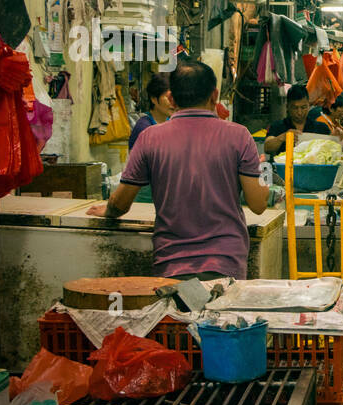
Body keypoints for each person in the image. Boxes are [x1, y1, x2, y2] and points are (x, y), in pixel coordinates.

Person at [86, 60, 269, 279]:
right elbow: (259, 204)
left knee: (175, 315)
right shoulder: (240, 136)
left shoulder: (149, 139)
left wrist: (108, 210)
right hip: (226, 264)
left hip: (170, 266)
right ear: (215, 95)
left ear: (172, 98)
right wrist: (264, 169)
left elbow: (120, 204)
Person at [263, 85, 329, 155]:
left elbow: (332, 148)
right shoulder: (277, 126)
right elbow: (267, 148)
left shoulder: (321, 128)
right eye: (295, 108)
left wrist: (337, 139)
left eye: (303, 107)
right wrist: (282, 137)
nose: (299, 112)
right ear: (287, 107)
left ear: (309, 106)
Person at [129, 74, 175, 151]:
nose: (173, 102)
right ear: (153, 99)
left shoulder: (170, 122)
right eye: (168, 97)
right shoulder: (144, 128)